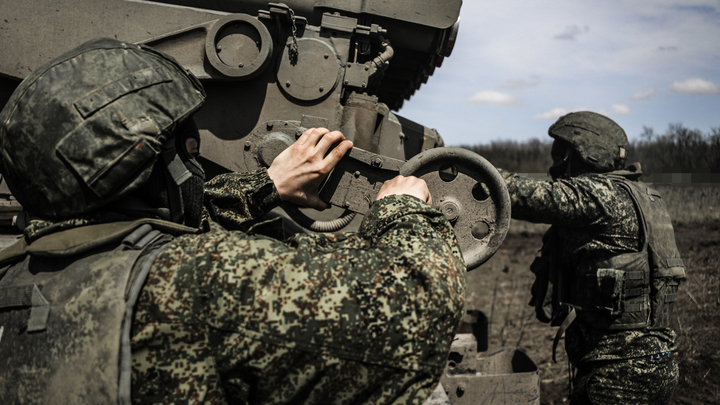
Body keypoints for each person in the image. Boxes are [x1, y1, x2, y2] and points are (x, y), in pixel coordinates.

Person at [0, 38, 466, 405]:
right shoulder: (195, 280)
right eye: (184, 147)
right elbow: (415, 316)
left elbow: (155, 227)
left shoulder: (16, 275)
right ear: (147, 165)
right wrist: (405, 212)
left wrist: (267, 186)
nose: (193, 158)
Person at [499, 111, 685, 405]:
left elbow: (521, 194)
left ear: (585, 153)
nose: (554, 164)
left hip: (619, 373)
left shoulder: (601, 194)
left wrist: (464, 170)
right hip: (654, 361)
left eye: (560, 154)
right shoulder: (644, 196)